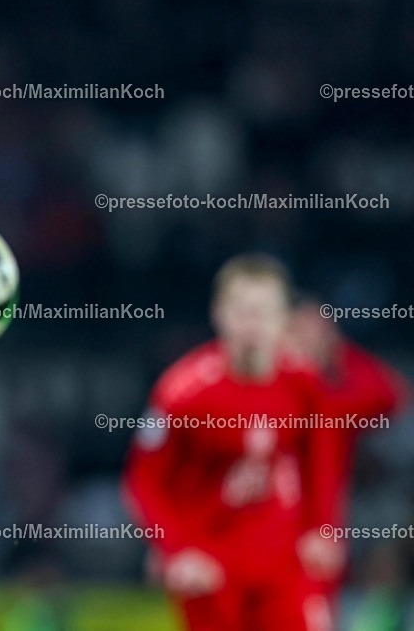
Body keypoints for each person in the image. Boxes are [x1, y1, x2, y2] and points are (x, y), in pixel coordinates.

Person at [123, 254, 341, 631]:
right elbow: (143, 481)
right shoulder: (183, 393)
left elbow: (321, 458)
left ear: (283, 319)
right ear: (218, 314)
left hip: (282, 561)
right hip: (211, 567)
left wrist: (322, 528)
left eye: (263, 312)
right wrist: (176, 550)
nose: (252, 325)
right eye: (242, 311)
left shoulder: (303, 383)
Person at [287, 299, 407, 626]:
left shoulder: (336, 395)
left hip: (335, 520)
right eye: (301, 332)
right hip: (274, 522)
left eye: (321, 331)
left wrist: (340, 355)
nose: (312, 340)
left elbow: (390, 394)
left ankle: (379, 617)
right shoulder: (260, 395)